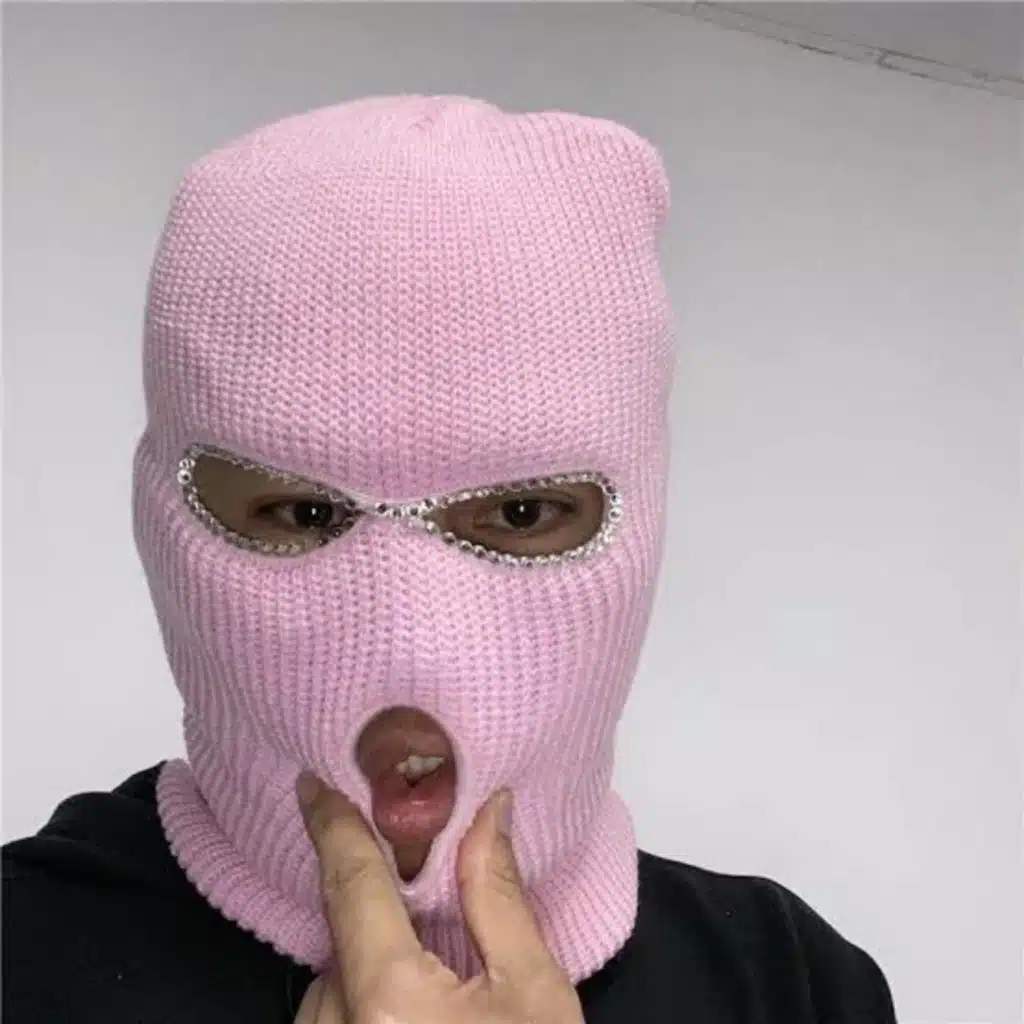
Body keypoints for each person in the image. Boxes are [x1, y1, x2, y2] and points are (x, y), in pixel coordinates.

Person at [2, 94, 897, 1023]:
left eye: (520, 511)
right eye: (304, 510)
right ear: (160, 523)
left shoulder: (795, 985)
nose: (410, 645)